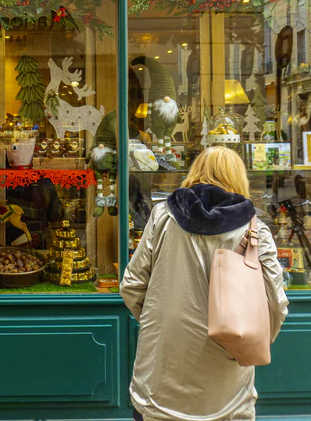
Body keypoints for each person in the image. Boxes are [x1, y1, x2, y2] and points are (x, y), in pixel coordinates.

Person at [120, 146, 289, 421]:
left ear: (195, 172)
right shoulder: (255, 230)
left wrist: (159, 321)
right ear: (239, 178)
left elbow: (131, 284)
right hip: (227, 392)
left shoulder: (162, 216)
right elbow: (275, 304)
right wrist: (246, 339)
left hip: (159, 382)